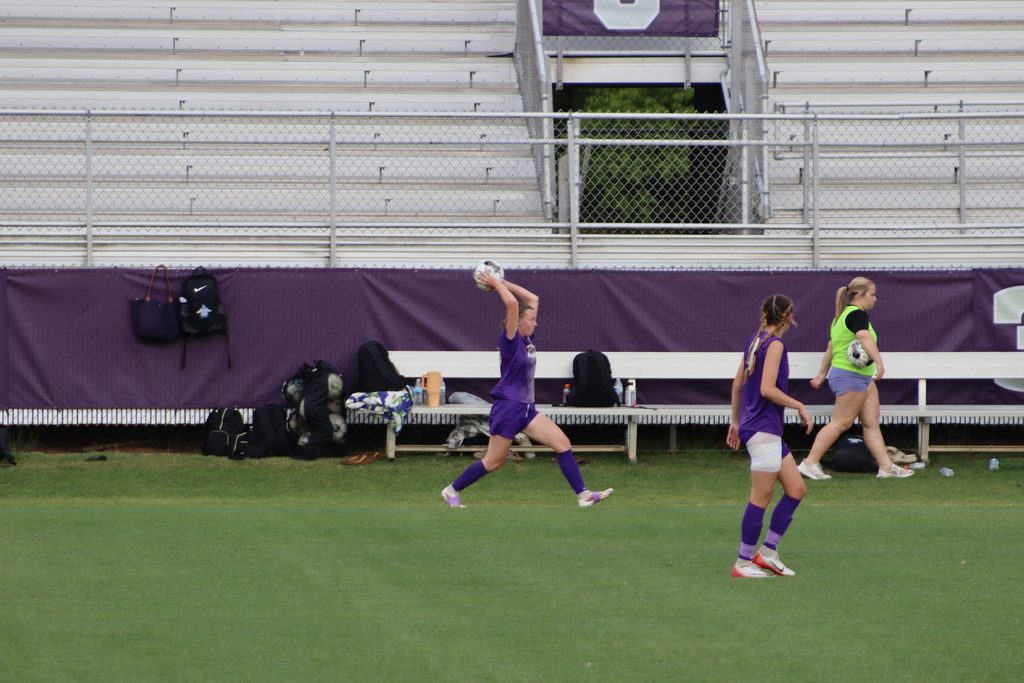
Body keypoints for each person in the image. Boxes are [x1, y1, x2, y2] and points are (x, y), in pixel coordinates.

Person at [441, 271, 614, 508]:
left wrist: (501, 282)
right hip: (508, 407)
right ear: (518, 321)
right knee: (493, 463)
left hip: (526, 409)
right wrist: (494, 284)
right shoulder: (511, 338)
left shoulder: (527, 340)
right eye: (531, 320)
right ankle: (452, 491)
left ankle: (583, 496)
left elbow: (533, 299)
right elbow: (512, 303)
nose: (536, 323)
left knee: (563, 444)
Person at [727, 295, 812, 578]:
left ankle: (768, 553)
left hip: (761, 427)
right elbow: (766, 389)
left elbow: (738, 384)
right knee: (761, 496)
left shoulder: (755, 340)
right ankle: (742, 563)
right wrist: (799, 405)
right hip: (763, 427)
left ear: (765, 314)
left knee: (796, 489)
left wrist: (736, 421)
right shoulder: (774, 344)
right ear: (789, 317)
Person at [797, 277, 914, 480]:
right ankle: (809, 463)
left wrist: (822, 373)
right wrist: (879, 361)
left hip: (861, 378)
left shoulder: (841, 317)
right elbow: (864, 337)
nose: (875, 299)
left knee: (871, 422)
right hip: (849, 377)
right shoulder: (857, 315)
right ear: (860, 295)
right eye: (872, 294)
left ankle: (886, 467)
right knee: (841, 423)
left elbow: (831, 349)